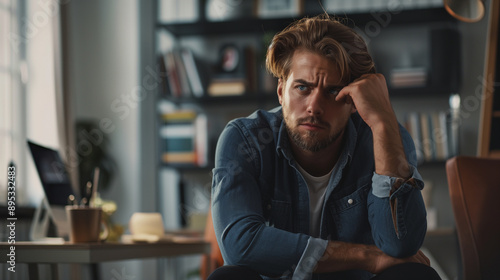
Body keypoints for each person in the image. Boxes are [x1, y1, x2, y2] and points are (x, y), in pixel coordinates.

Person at [208, 14, 441, 280]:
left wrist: (383, 122)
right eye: (303, 88)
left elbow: (401, 244)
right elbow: (241, 245)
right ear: (281, 91)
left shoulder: (385, 136)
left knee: (414, 275)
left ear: (354, 102)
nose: (315, 107)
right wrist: (368, 256)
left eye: (333, 92)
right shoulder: (245, 140)